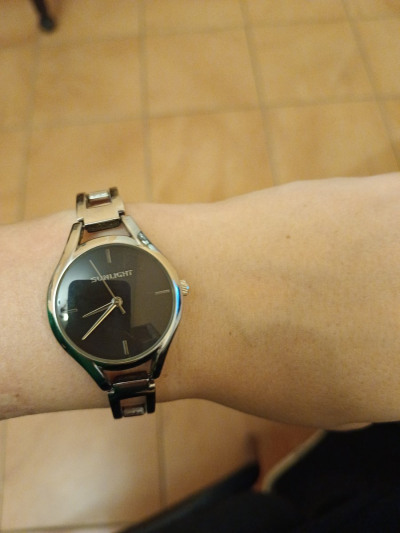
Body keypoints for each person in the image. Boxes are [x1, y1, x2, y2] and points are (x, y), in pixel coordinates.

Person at [2, 174, 400, 532]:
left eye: (118, 300)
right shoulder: (70, 316)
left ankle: (290, 486)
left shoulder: (169, 293)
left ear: (181, 290)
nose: (118, 303)